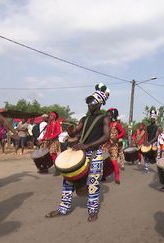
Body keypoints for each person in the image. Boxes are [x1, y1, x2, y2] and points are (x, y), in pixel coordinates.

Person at [45, 84, 110, 222]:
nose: (88, 104)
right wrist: (71, 132)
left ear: (98, 103)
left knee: (93, 184)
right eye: (87, 101)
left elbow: (106, 137)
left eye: (91, 101)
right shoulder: (84, 119)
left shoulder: (104, 118)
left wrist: (87, 145)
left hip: (95, 154)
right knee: (68, 180)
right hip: (80, 152)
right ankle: (63, 208)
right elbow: (76, 132)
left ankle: (92, 211)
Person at [105, 108, 125, 184]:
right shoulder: (105, 124)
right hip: (105, 146)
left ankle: (117, 177)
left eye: (110, 115)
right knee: (104, 161)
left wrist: (117, 137)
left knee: (114, 162)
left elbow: (123, 132)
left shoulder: (116, 124)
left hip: (114, 145)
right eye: (107, 115)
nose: (108, 116)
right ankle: (104, 176)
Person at [143, 109, 160, 173]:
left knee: (155, 157)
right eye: (151, 118)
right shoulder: (148, 127)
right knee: (146, 155)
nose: (152, 119)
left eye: (153, 118)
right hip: (148, 143)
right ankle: (146, 168)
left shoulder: (157, 127)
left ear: (155, 119)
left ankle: (160, 169)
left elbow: (156, 137)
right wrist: (145, 142)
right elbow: (146, 135)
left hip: (154, 143)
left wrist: (150, 142)